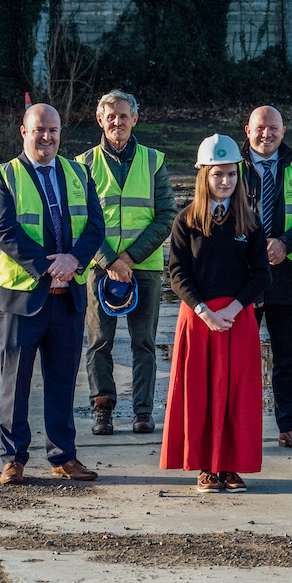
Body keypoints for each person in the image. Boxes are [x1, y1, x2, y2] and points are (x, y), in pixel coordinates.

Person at [0, 103, 107, 485]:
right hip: (21, 300)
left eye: (53, 130)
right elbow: (5, 231)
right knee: (15, 384)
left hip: (67, 299)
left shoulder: (78, 172)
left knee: (62, 382)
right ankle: (13, 458)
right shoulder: (2, 176)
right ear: (24, 132)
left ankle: (63, 457)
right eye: (39, 130)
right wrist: (49, 268)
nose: (47, 137)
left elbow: (95, 226)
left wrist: (73, 261)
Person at [161, 135, 270, 493]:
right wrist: (205, 312)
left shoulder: (250, 223)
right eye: (218, 175)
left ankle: (231, 466)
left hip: (238, 319)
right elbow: (177, 274)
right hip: (199, 319)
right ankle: (206, 467)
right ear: (204, 176)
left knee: (237, 393)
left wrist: (236, 309)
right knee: (200, 393)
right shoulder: (186, 221)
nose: (225, 182)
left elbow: (262, 275)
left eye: (232, 175)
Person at [76, 89, 176, 437]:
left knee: (144, 343)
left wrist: (129, 259)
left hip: (143, 268)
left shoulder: (154, 161)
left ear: (135, 119)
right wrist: (108, 261)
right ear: (100, 120)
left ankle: (143, 412)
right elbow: (81, 220)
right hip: (98, 269)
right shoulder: (83, 164)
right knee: (99, 342)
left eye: (124, 116)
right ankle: (102, 410)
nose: (118, 122)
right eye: (111, 116)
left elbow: (166, 216)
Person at [240, 106, 292, 452]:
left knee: (287, 357)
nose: (266, 134)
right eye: (260, 128)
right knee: (241, 359)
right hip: (244, 276)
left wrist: (285, 244)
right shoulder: (233, 167)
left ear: (283, 131)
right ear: (248, 130)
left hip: (289, 275)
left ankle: (288, 426)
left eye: (273, 128)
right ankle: (240, 430)